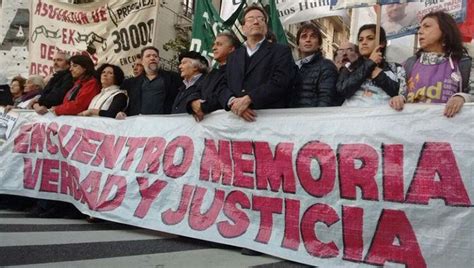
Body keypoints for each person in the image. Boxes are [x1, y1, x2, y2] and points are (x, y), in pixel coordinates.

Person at [217, 5, 296, 122]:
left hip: (267, 120)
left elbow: (280, 82)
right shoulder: (233, 56)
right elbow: (222, 85)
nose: (256, 22)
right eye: (250, 19)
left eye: (260, 19)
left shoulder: (281, 51)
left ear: (266, 27)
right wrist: (232, 102)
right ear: (243, 28)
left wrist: (250, 99)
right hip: (236, 120)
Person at [389, 11, 472, 117]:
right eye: (419, 28)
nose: (420, 31)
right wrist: (398, 98)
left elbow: (472, 94)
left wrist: (461, 98)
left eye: (427, 26)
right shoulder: (409, 64)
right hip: (412, 128)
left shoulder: (464, 64)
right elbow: (401, 93)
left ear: (445, 31)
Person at [336, 24, 406, 107]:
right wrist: (370, 63)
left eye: (370, 38)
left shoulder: (396, 68)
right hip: (351, 117)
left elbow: (401, 94)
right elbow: (343, 91)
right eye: (360, 40)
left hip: (382, 117)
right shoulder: (349, 67)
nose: (364, 42)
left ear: (382, 43)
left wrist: (380, 76)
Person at [116, 46, 182, 119]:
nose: (152, 58)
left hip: (163, 124)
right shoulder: (130, 83)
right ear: (142, 61)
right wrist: (121, 112)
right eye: (148, 56)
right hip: (139, 125)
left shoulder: (173, 78)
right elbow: (126, 104)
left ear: (158, 60)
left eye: (155, 56)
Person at [189, 31, 240, 121]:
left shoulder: (238, 71)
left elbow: (224, 95)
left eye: (219, 44)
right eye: (214, 45)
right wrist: (193, 102)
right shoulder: (211, 74)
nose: (213, 48)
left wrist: (202, 107)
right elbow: (195, 91)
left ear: (231, 49)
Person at [289, 23, 338, 108]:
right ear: (298, 44)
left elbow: (326, 99)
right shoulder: (292, 66)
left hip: (311, 117)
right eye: (304, 36)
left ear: (319, 44)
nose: (308, 40)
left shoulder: (326, 66)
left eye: (313, 37)